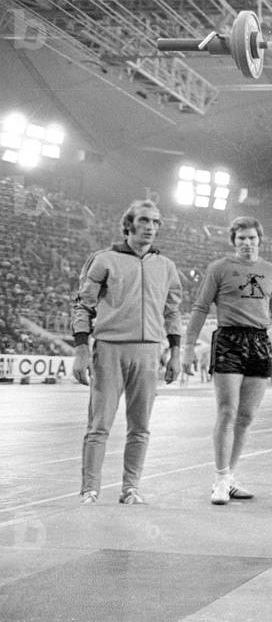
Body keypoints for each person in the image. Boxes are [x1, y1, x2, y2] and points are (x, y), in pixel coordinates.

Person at [72, 200, 182, 505]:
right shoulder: (104, 260)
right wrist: (82, 350)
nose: (151, 227)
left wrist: (175, 352)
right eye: (145, 220)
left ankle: (131, 487)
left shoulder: (167, 267)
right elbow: (83, 305)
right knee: (99, 425)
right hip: (109, 350)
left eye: (156, 222)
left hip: (149, 353)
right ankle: (90, 490)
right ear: (129, 224)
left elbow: (173, 311)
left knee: (141, 427)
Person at [182, 217, 272, 506]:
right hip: (229, 340)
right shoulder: (219, 269)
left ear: (260, 240)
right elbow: (200, 307)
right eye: (241, 238)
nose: (247, 243)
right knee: (227, 412)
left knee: (246, 417)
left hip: (260, 341)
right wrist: (188, 347)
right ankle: (219, 480)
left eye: (252, 238)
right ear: (234, 241)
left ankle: (229, 476)